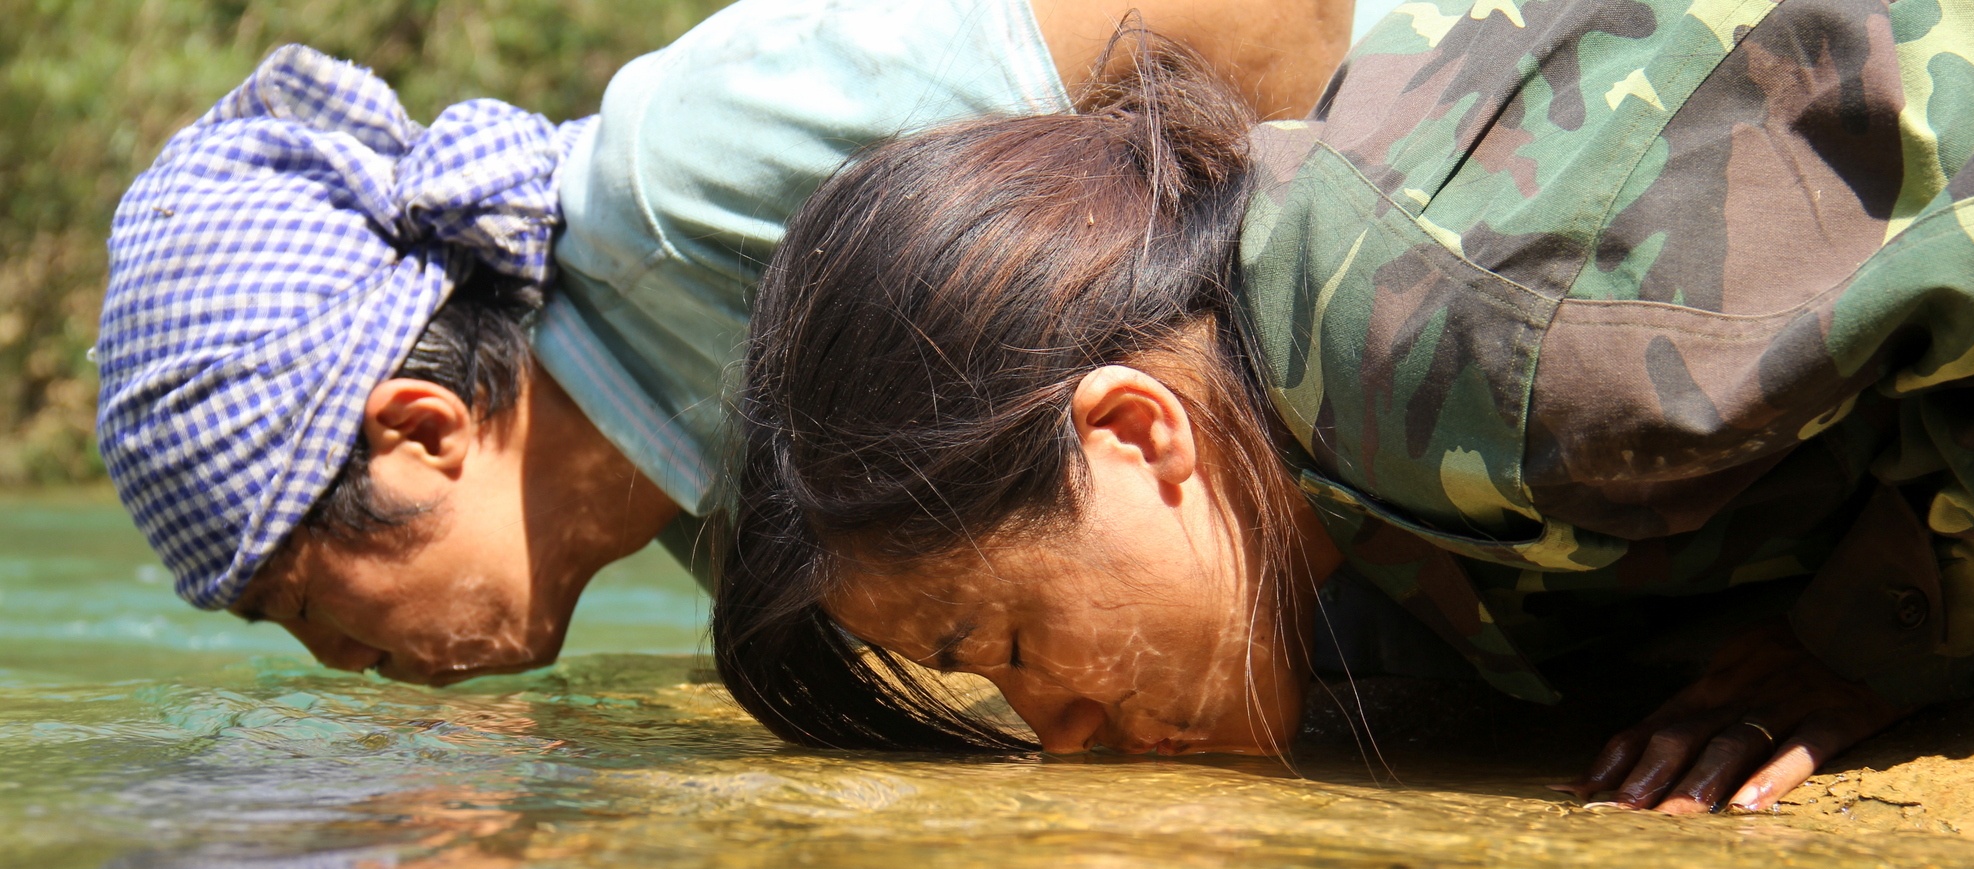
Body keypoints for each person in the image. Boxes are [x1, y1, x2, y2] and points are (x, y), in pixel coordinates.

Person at [714, 0, 1974, 814]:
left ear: (1135, 433)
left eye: (1005, 649)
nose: (1061, 735)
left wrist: (1879, 633)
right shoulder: (1311, 510)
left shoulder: (1514, 344)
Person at [94, 0, 1350, 685]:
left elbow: (1255, 15)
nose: (348, 669)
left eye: (307, 607)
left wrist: (1360, 341)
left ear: (419, 435)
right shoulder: (710, 518)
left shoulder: (694, 169)